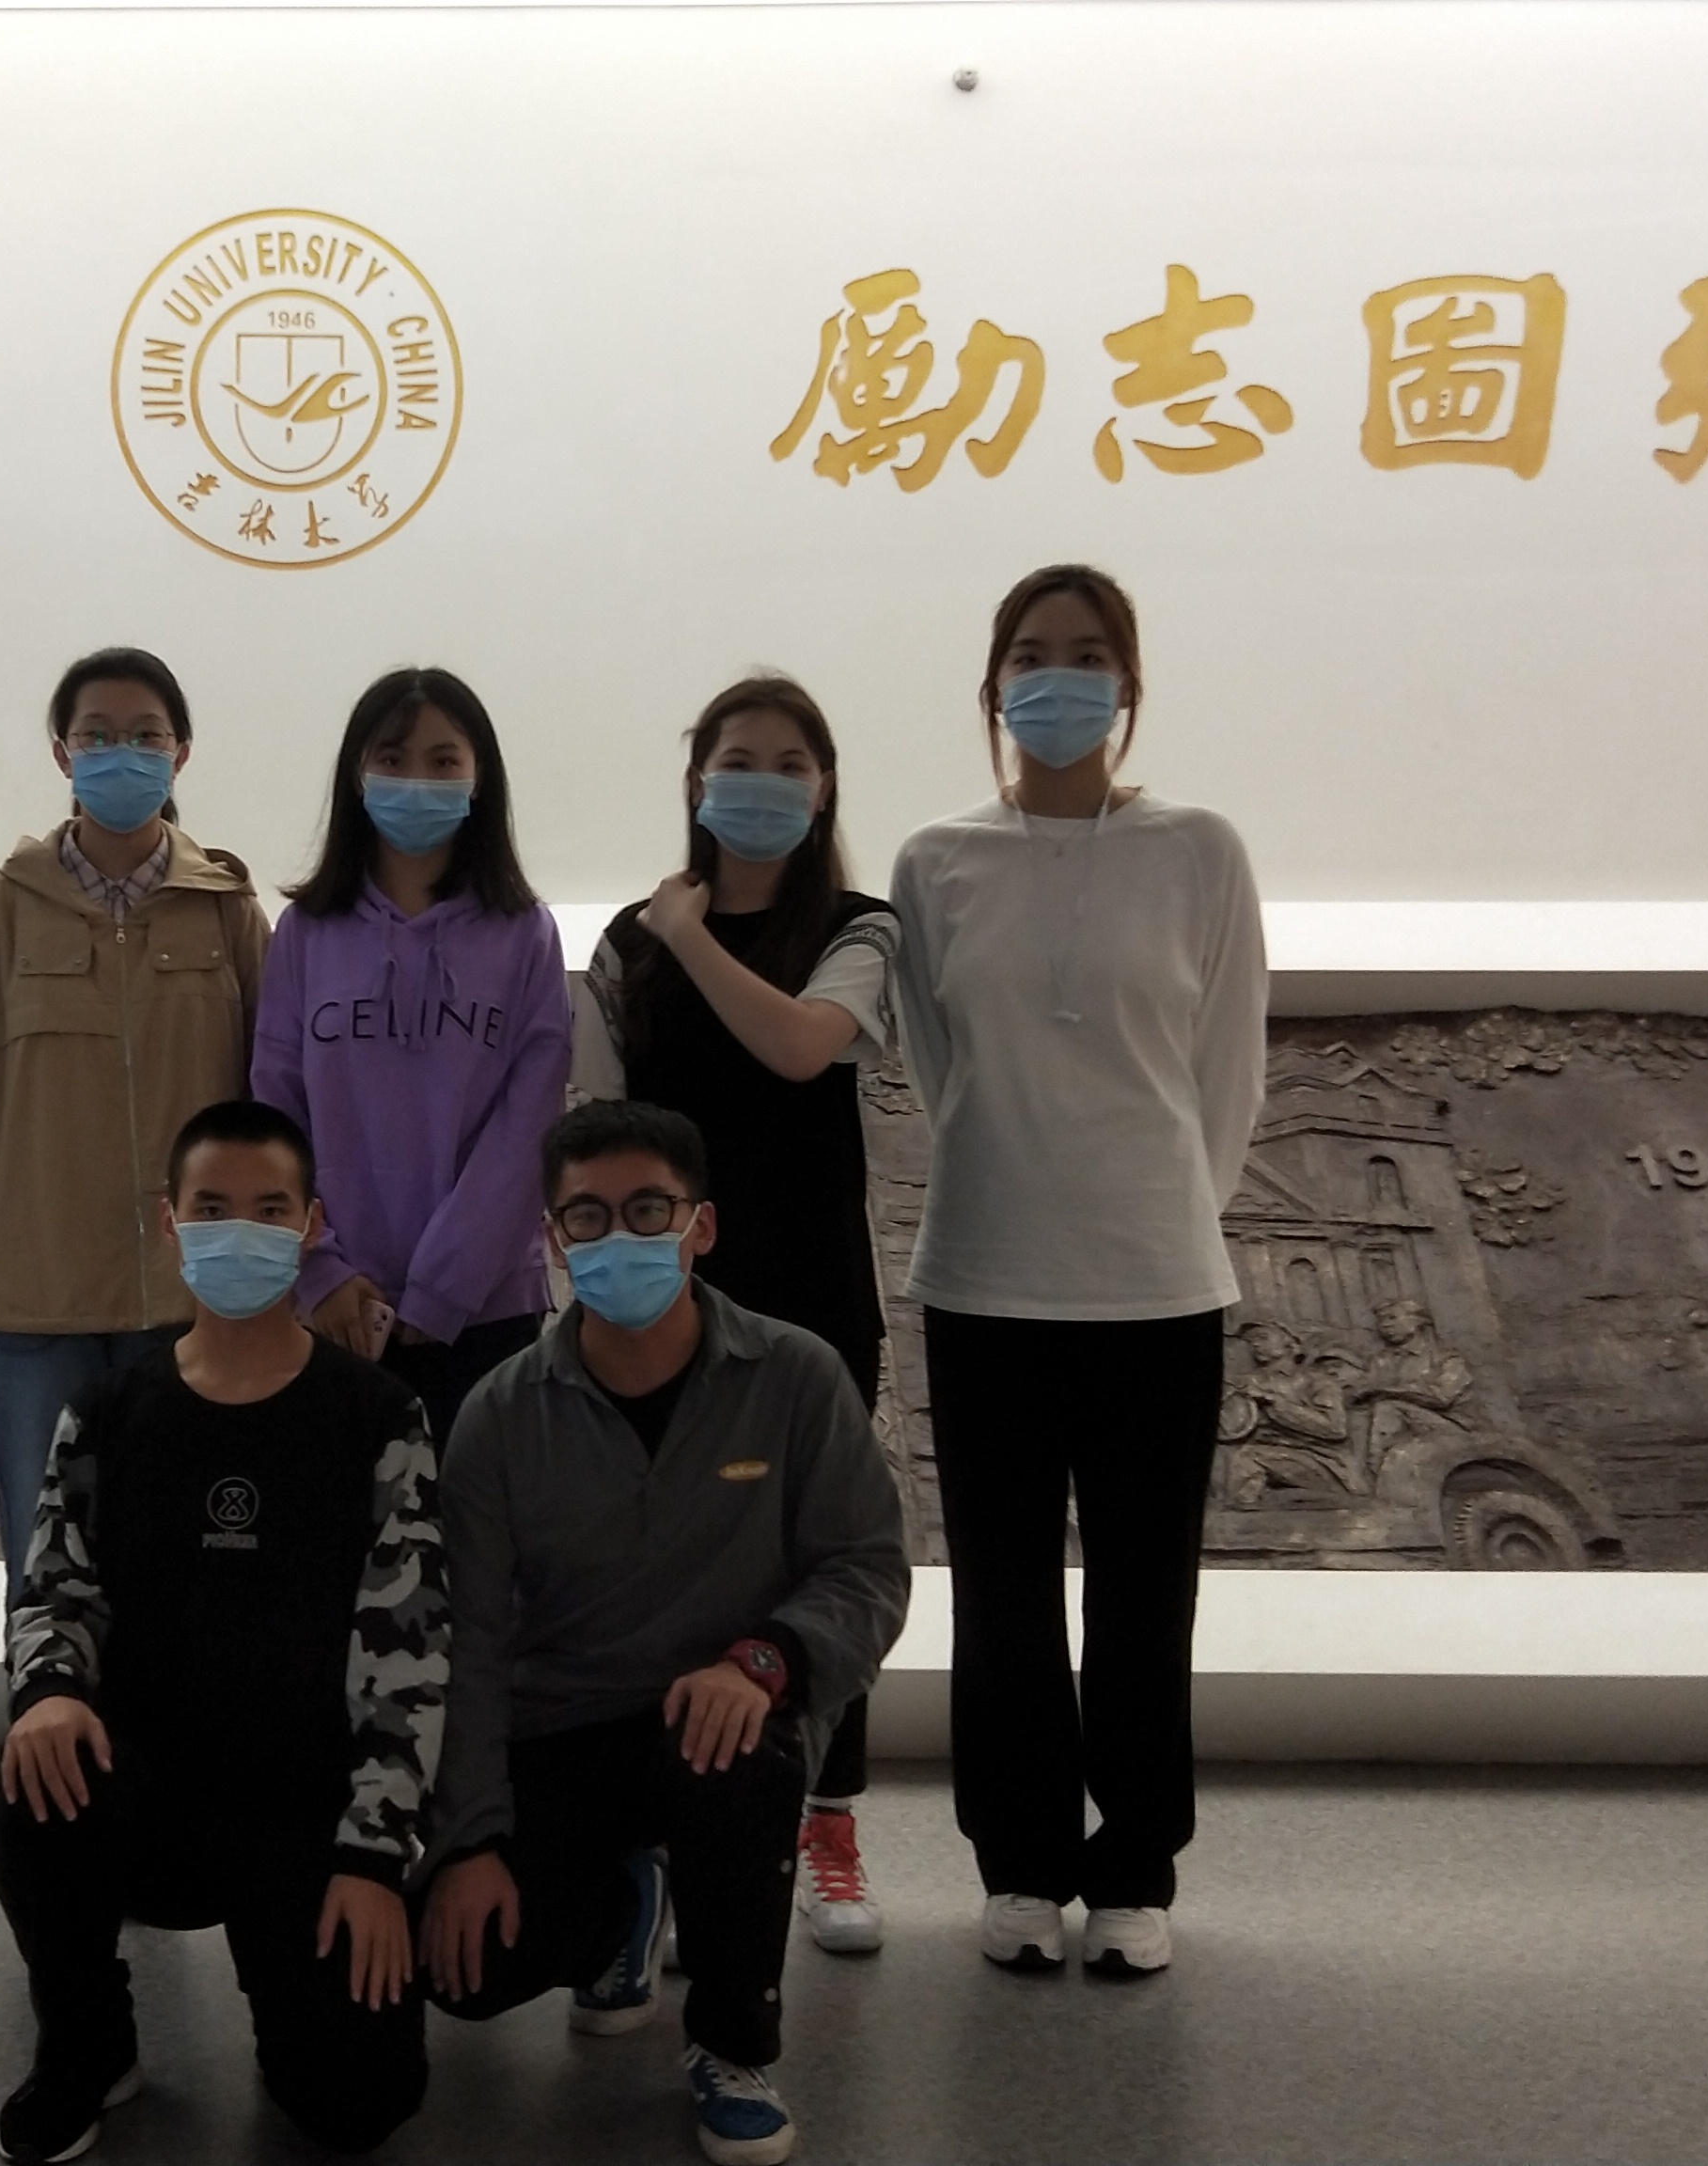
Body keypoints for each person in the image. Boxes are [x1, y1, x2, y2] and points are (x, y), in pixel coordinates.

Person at [891, 562, 1267, 1978]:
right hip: (986, 1274)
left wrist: (1160, 1209)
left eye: (1090, 653)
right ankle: (1021, 1861)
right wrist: (1024, 1178)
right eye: (1033, 654)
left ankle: (1134, 1868)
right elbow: (938, 1066)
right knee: (999, 1598)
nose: (1060, 677)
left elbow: (1227, 1065)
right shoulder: (937, 861)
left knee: (1142, 1594)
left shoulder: (1199, 850)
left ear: (1129, 684)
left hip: (1156, 1284)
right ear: (994, 687)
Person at [425, 1102, 908, 2166]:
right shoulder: (500, 1414)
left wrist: (766, 1660)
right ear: (552, 1239)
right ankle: (622, 1909)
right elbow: (473, 1640)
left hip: (724, 1716)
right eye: (587, 1216)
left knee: (732, 1761)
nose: (619, 1236)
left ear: (702, 1225)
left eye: (649, 1209)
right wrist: (468, 1843)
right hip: (562, 1729)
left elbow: (868, 1567)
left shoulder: (795, 1376)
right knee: (466, 1975)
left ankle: (732, 2047)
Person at [0, 1098, 443, 2163]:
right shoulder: (108, 1410)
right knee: (37, 1773)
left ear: (311, 1224)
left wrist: (375, 1857)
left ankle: (291, 1993)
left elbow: (408, 1652)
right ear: (171, 1220)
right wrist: (49, 1689)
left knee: (358, 2106)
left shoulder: (379, 1416)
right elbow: (53, 1587)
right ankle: (87, 2044)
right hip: (147, 1789)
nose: (240, 1232)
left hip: (304, 1807)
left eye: (270, 1209)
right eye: (212, 1208)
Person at [572, 673, 905, 1955]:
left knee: (827, 1551)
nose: (760, 783)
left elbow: (802, 1046)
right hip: (664, 1300)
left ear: (823, 790)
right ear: (696, 781)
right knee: (668, 1561)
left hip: (815, 1295)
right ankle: (667, 1835)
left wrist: (693, 929)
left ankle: (829, 1822)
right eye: (737, 760)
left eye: (788, 763)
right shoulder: (627, 944)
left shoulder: (858, 928)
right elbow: (597, 1118)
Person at [0, 646, 273, 1587]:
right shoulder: (0, 911)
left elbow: (272, 1099)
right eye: (99, 735)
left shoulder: (226, 909)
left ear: (181, 753)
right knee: (47, 1565)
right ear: (62, 752)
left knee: (182, 1565)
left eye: (146, 736)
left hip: (188, 1294)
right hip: (31, 1296)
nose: (124, 754)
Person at [250, 666, 571, 1438]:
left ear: (479, 777)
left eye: (442, 760)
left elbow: (527, 1130)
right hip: (333, 1307)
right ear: (357, 775)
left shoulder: (526, 934)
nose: (416, 780)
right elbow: (277, 1113)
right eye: (392, 759)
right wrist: (321, 1270)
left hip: (484, 1309)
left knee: (474, 1514)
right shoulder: (304, 932)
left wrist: (442, 1289)